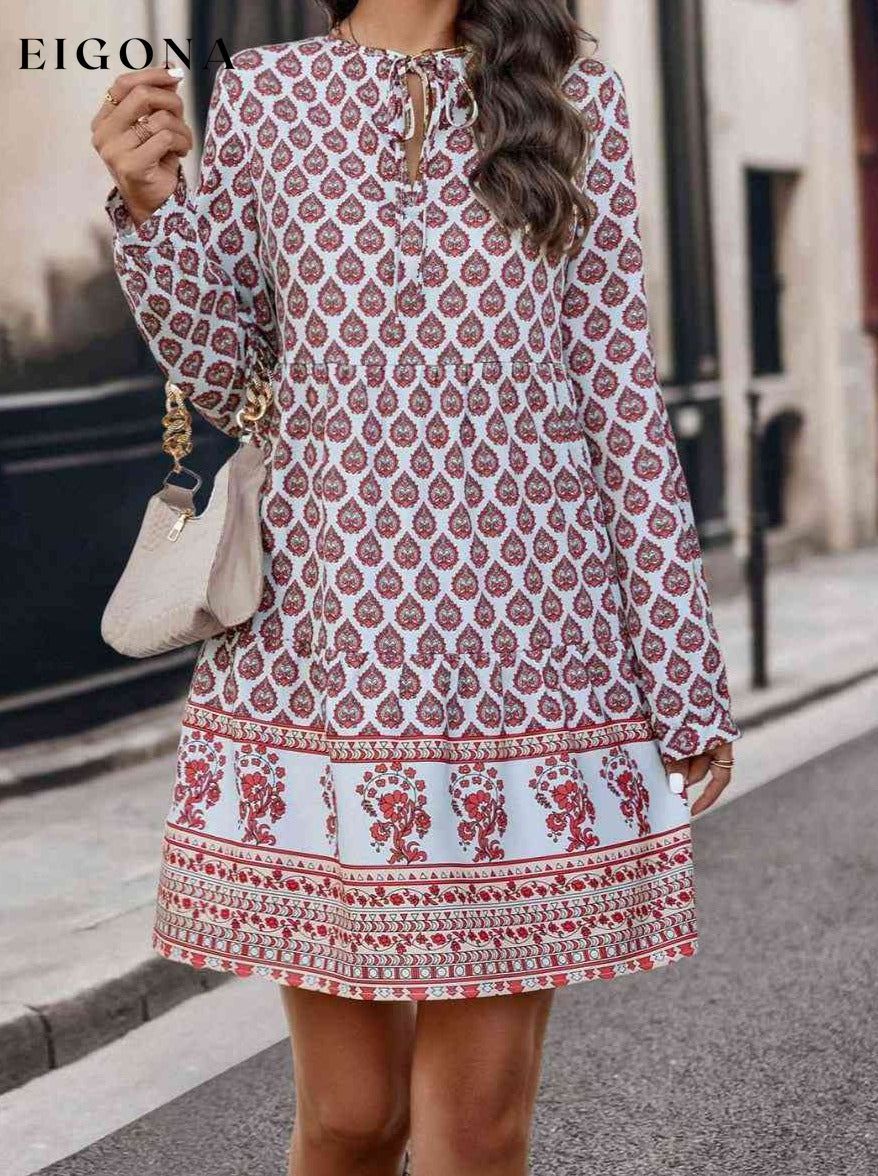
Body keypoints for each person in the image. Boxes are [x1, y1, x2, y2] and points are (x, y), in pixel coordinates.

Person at [91, 2, 740, 1173]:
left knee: (470, 1135)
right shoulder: (266, 95)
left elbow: (615, 391)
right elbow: (232, 378)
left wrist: (680, 668)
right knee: (351, 1119)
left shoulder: (568, 95)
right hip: (323, 657)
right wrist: (151, 208)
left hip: (529, 664)